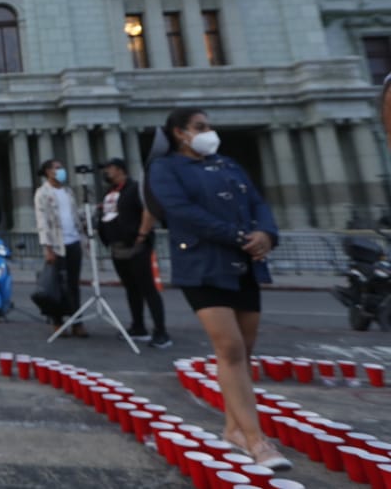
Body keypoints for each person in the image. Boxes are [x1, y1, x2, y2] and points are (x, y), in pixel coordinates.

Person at [147, 107, 291, 471]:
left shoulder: (228, 165)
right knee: (230, 349)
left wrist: (266, 233)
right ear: (179, 133)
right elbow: (182, 211)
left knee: (244, 351)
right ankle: (257, 440)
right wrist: (239, 236)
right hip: (202, 265)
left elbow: (257, 202)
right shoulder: (165, 169)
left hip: (243, 265)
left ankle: (234, 429)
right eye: (200, 127)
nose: (208, 132)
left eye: (208, 126)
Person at [96, 158, 170, 347]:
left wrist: (142, 234)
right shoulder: (110, 192)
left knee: (148, 288)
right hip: (117, 246)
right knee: (131, 288)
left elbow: (149, 210)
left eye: (109, 168)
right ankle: (138, 326)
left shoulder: (136, 188)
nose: (106, 172)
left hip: (136, 246)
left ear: (120, 170)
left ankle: (161, 331)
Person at [33, 158, 88, 336]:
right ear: (48, 171)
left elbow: (74, 215)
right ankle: (57, 321)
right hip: (57, 245)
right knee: (57, 286)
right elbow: (42, 222)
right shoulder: (42, 193)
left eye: (61, 167)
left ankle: (77, 321)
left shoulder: (68, 191)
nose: (61, 170)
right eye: (57, 168)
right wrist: (48, 248)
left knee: (73, 285)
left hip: (74, 242)